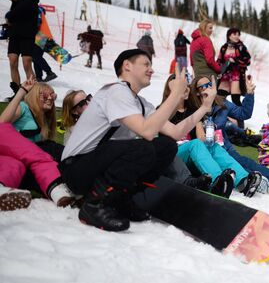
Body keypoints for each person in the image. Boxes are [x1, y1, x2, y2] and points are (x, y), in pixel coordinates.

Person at [60, 49, 216, 232]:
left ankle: (121, 198)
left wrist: (204, 108)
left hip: (97, 165)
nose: (151, 70)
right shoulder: (115, 91)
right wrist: (175, 95)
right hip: (77, 169)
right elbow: (147, 131)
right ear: (127, 65)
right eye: (146, 64)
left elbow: (174, 132)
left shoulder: (140, 103)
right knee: (143, 147)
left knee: (166, 146)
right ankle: (94, 204)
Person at [162, 74, 262, 198]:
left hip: (190, 154)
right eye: (181, 87)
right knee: (196, 144)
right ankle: (218, 181)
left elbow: (200, 138)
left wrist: (211, 138)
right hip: (173, 157)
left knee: (212, 145)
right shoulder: (162, 111)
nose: (186, 89)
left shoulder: (193, 111)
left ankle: (243, 182)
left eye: (186, 86)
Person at [190, 76, 269, 194]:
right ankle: (257, 181)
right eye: (203, 87)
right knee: (233, 165)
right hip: (207, 151)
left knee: (243, 161)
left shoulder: (222, 103)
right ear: (197, 91)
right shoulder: (194, 108)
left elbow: (243, 114)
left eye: (209, 84)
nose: (208, 88)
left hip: (225, 147)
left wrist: (249, 94)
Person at [0, 77, 75, 208]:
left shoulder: (45, 120)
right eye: (46, 94)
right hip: (8, 149)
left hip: (20, 163)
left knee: (16, 166)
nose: (51, 98)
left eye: (53, 95)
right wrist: (22, 91)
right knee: (51, 149)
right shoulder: (23, 108)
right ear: (34, 95)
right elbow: (2, 124)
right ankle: (58, 188)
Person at [4, 0, 37, 97]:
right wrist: (8, 25)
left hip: (27, 36)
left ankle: (34, 93)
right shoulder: (14, 3)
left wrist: (9, 16)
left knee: (27, 63)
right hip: (14, 36)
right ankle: (17, 93)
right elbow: (14, 17)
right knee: (12, 61)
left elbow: (21, 10)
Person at [217, 27, 251, 107]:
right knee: (219, 97)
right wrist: (219, 69)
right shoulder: (224, 47)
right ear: (229, 35)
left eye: (238, 34)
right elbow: (219, 60)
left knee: (235, 99)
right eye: (235, 34)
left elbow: (248, 61)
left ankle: (240, 119)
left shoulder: (241, 47)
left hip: (236, 75)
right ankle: (221, 117)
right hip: (225, 75)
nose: (237, 36)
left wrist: (235, 60)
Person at [32, 5, 57, 83]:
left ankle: (49, 72)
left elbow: (37, 23)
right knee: (36, 56)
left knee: (35, 56)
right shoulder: (40, 10)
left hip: (41, 36)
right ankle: (39, 77)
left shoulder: (37, 10)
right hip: (41, 35)